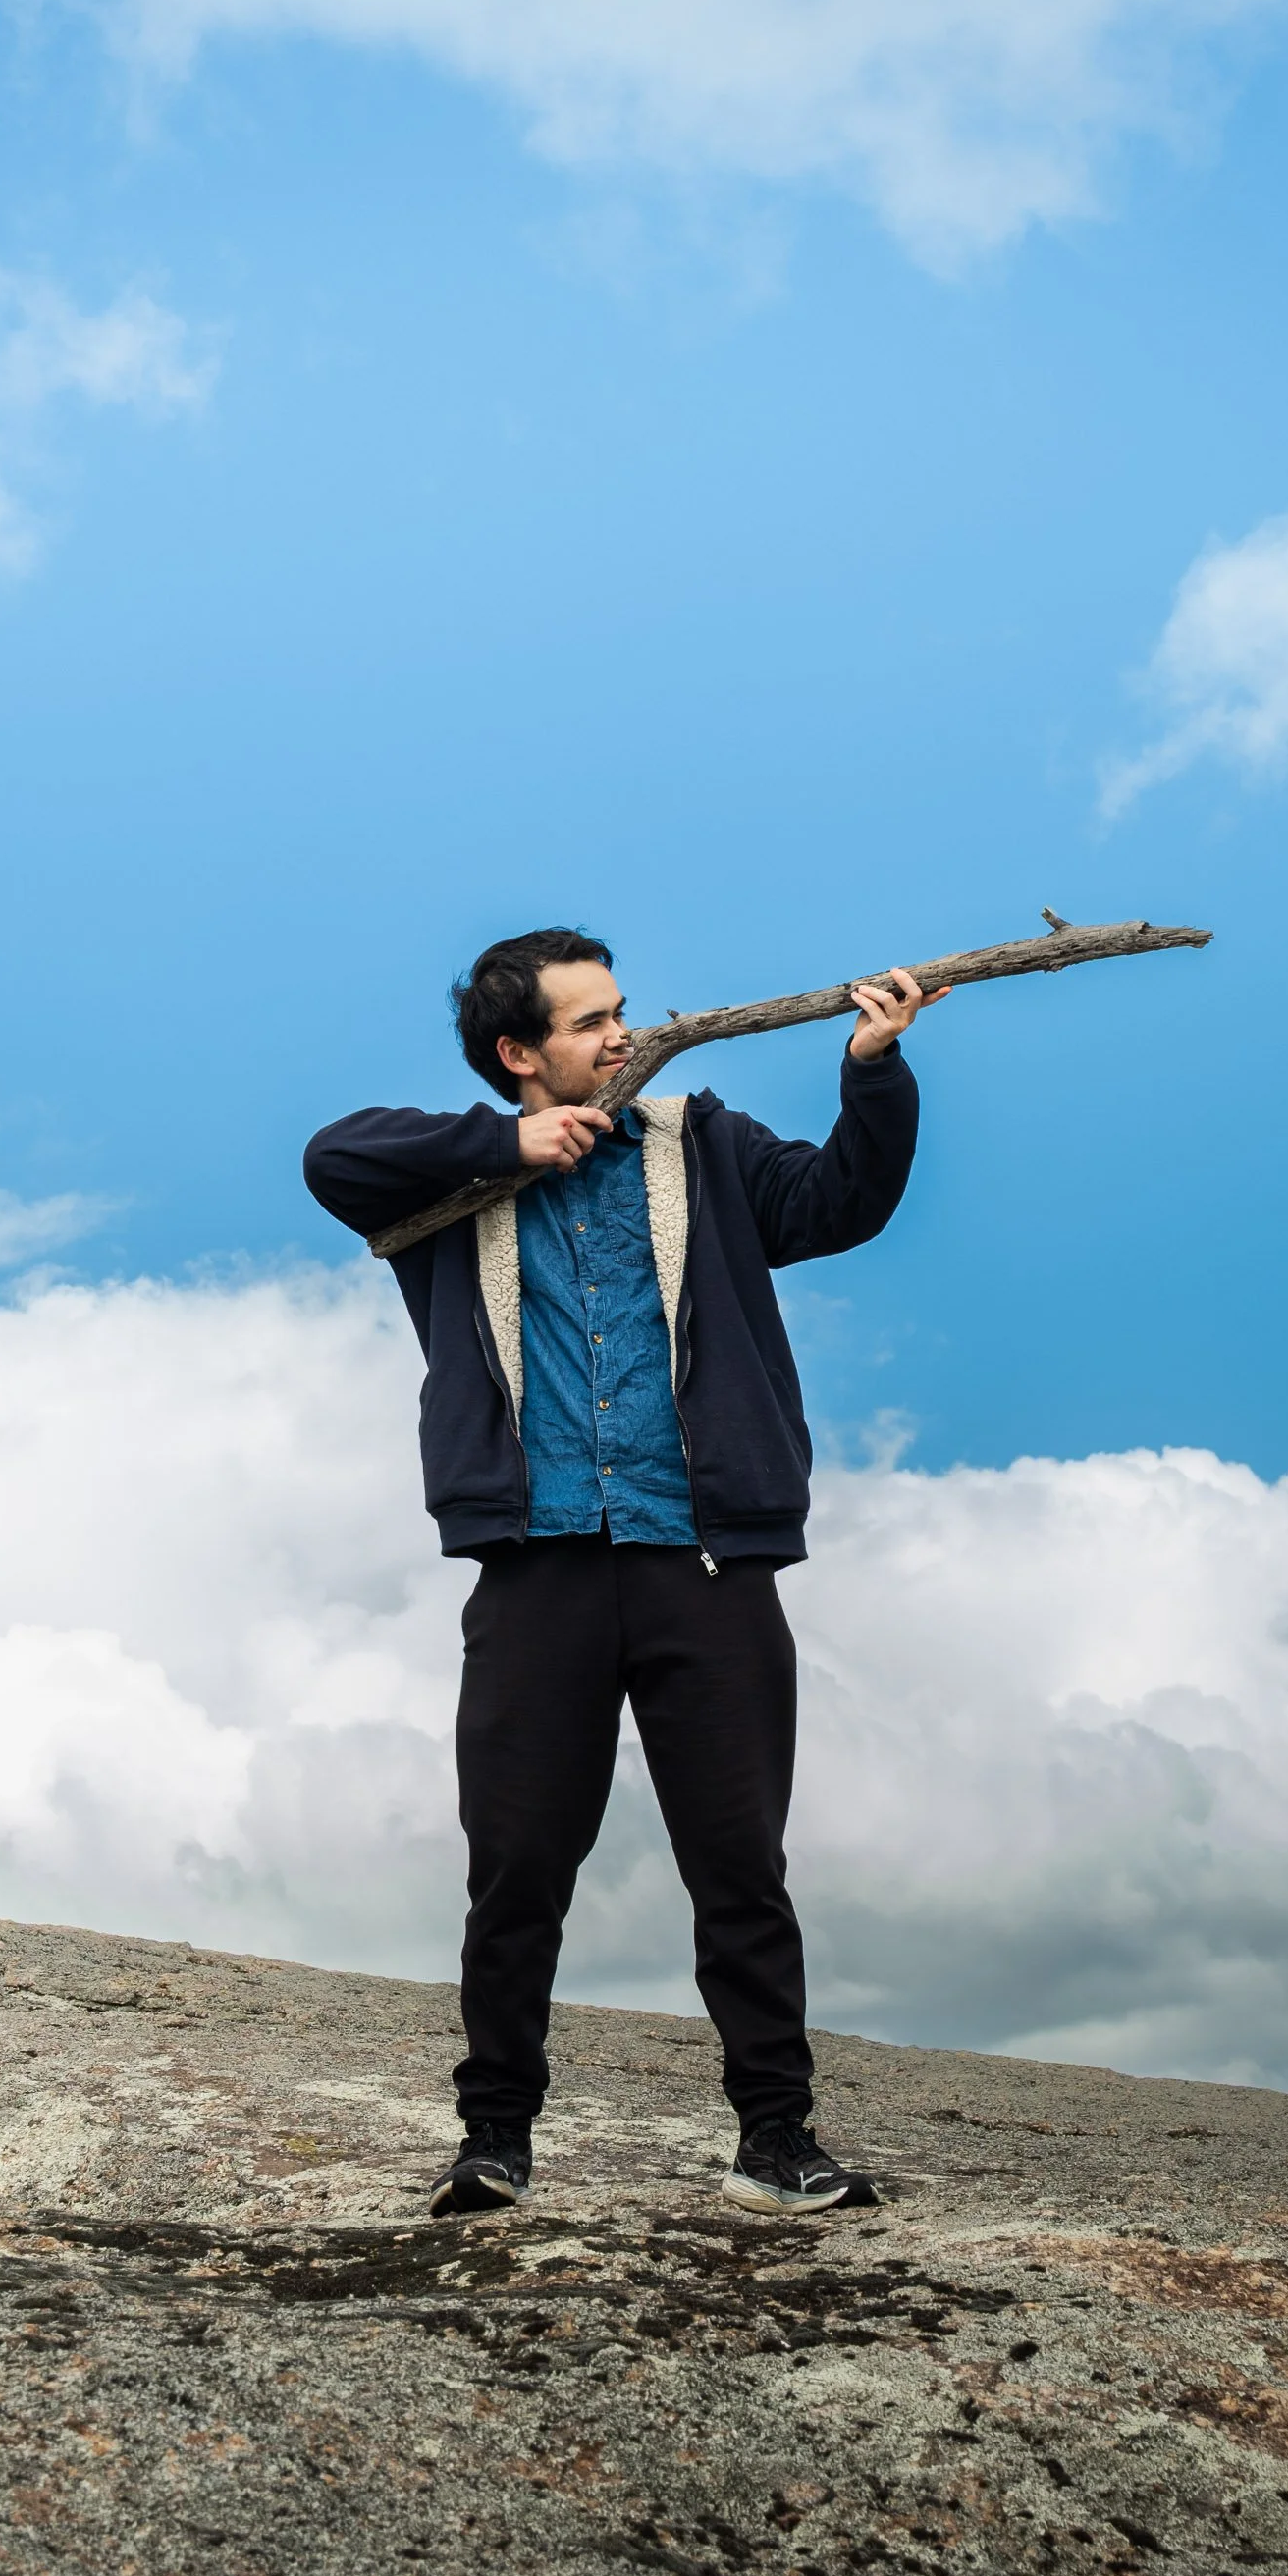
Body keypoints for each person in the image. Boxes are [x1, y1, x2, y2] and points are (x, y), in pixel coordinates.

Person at [303, 928, 945, 2217]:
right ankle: (495, 2140)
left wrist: (874, 1069)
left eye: (620, 1013)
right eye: (588, 1022)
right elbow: (331, 1157)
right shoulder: (450, 1173)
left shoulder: (703, 1144)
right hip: (536, 1571)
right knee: (516, 1871)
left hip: (704, 1563)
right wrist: (509, 1148)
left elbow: (839, 1203)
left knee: (741, 1868)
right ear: (517, 1053)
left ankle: (776, 2140)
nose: (621, 1036)